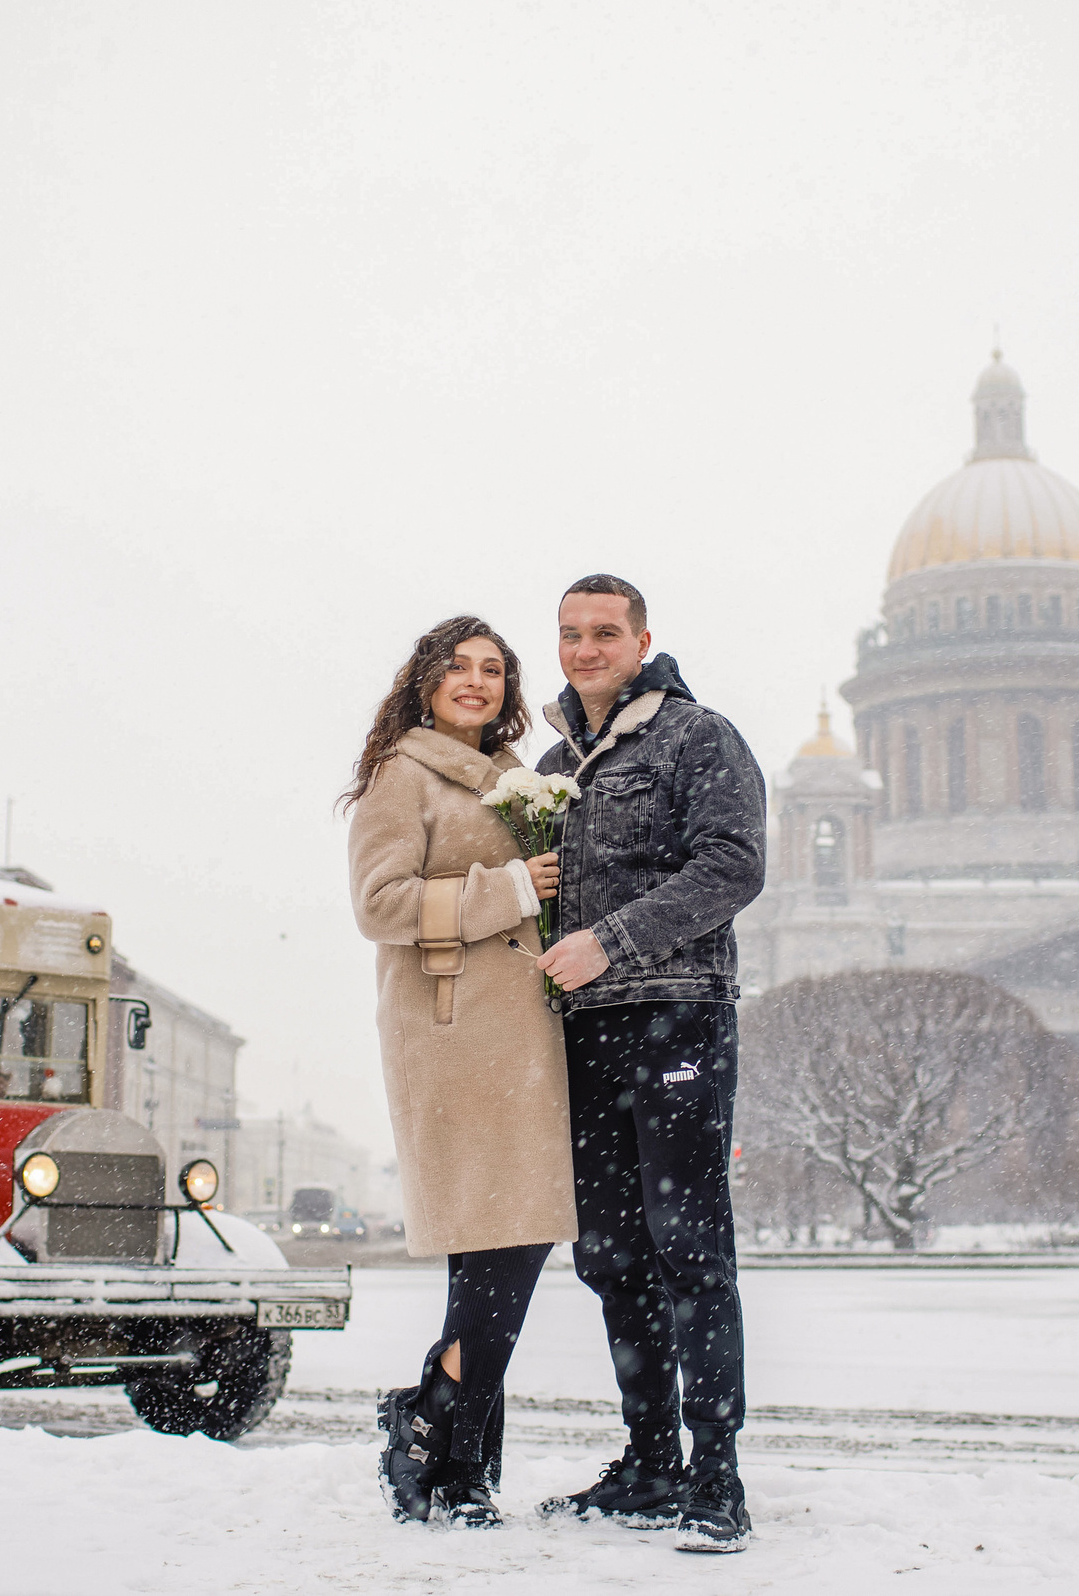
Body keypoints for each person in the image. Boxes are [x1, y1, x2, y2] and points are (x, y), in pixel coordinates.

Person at [531, 574, 767, 1553]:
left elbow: (730, 868)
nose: (585, 649)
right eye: (570, 634)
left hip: (675, 1019)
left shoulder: (696, 737)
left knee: (689, 1248)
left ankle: (717, 1475)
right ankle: (647, 1464)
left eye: (603, 633)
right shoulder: (550, 764)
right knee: (609, 1254)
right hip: (583, 1036)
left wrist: (610, 941)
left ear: (641, 640)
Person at [345, 616, 575, 1528]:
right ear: (426, 682)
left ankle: (458, 1465)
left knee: (501, 1247)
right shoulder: (402, 778)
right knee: (503, 1238)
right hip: (453, 1037)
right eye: (458, 667)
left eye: (492, 669)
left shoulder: (516, 780)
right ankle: (435, 1418)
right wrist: (513, 889)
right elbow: (379, 903)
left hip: (522, 1038)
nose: (475, 681)